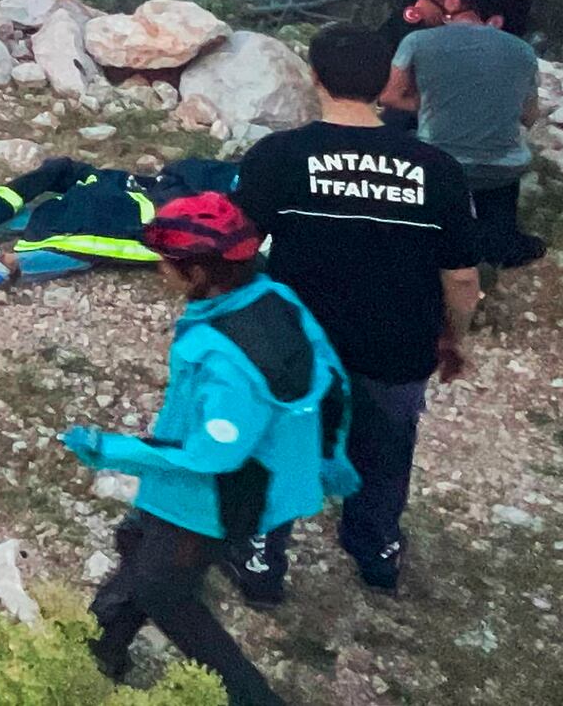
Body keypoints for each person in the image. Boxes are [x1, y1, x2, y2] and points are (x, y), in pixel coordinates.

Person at [62, 194, 355, 706]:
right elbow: (332, 380)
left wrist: (108, 449)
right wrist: (331, 459)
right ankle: (100, 646)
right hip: (250, 473)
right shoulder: (276, 298)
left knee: (164, 592)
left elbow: (209, 456)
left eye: (167, 262)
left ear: (198, 272)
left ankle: (251, 697)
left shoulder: (225, 358)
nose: (159, 269)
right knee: (140, 541)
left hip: (216, 494)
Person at [231, 23, 479, 601]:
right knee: (386, 449)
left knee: (283, 445)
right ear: (386, 82)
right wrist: (453, 338)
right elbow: (462, 277)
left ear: (314, 76)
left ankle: (264, 562)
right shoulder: (437, 168)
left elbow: (235, 251)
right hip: (397, 346)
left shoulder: (279, 156)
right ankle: (377, 551)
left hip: (299, 346)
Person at [383, 0, 545, 269]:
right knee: (497, 191)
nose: (418, 5)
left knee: (394, 129)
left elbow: (390, 96)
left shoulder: (416, 41)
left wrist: (429, 103)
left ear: (451, 1)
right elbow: (529, 116)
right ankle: (501, 243)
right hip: (502, 170)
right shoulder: (522, 50)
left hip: (439, 167)